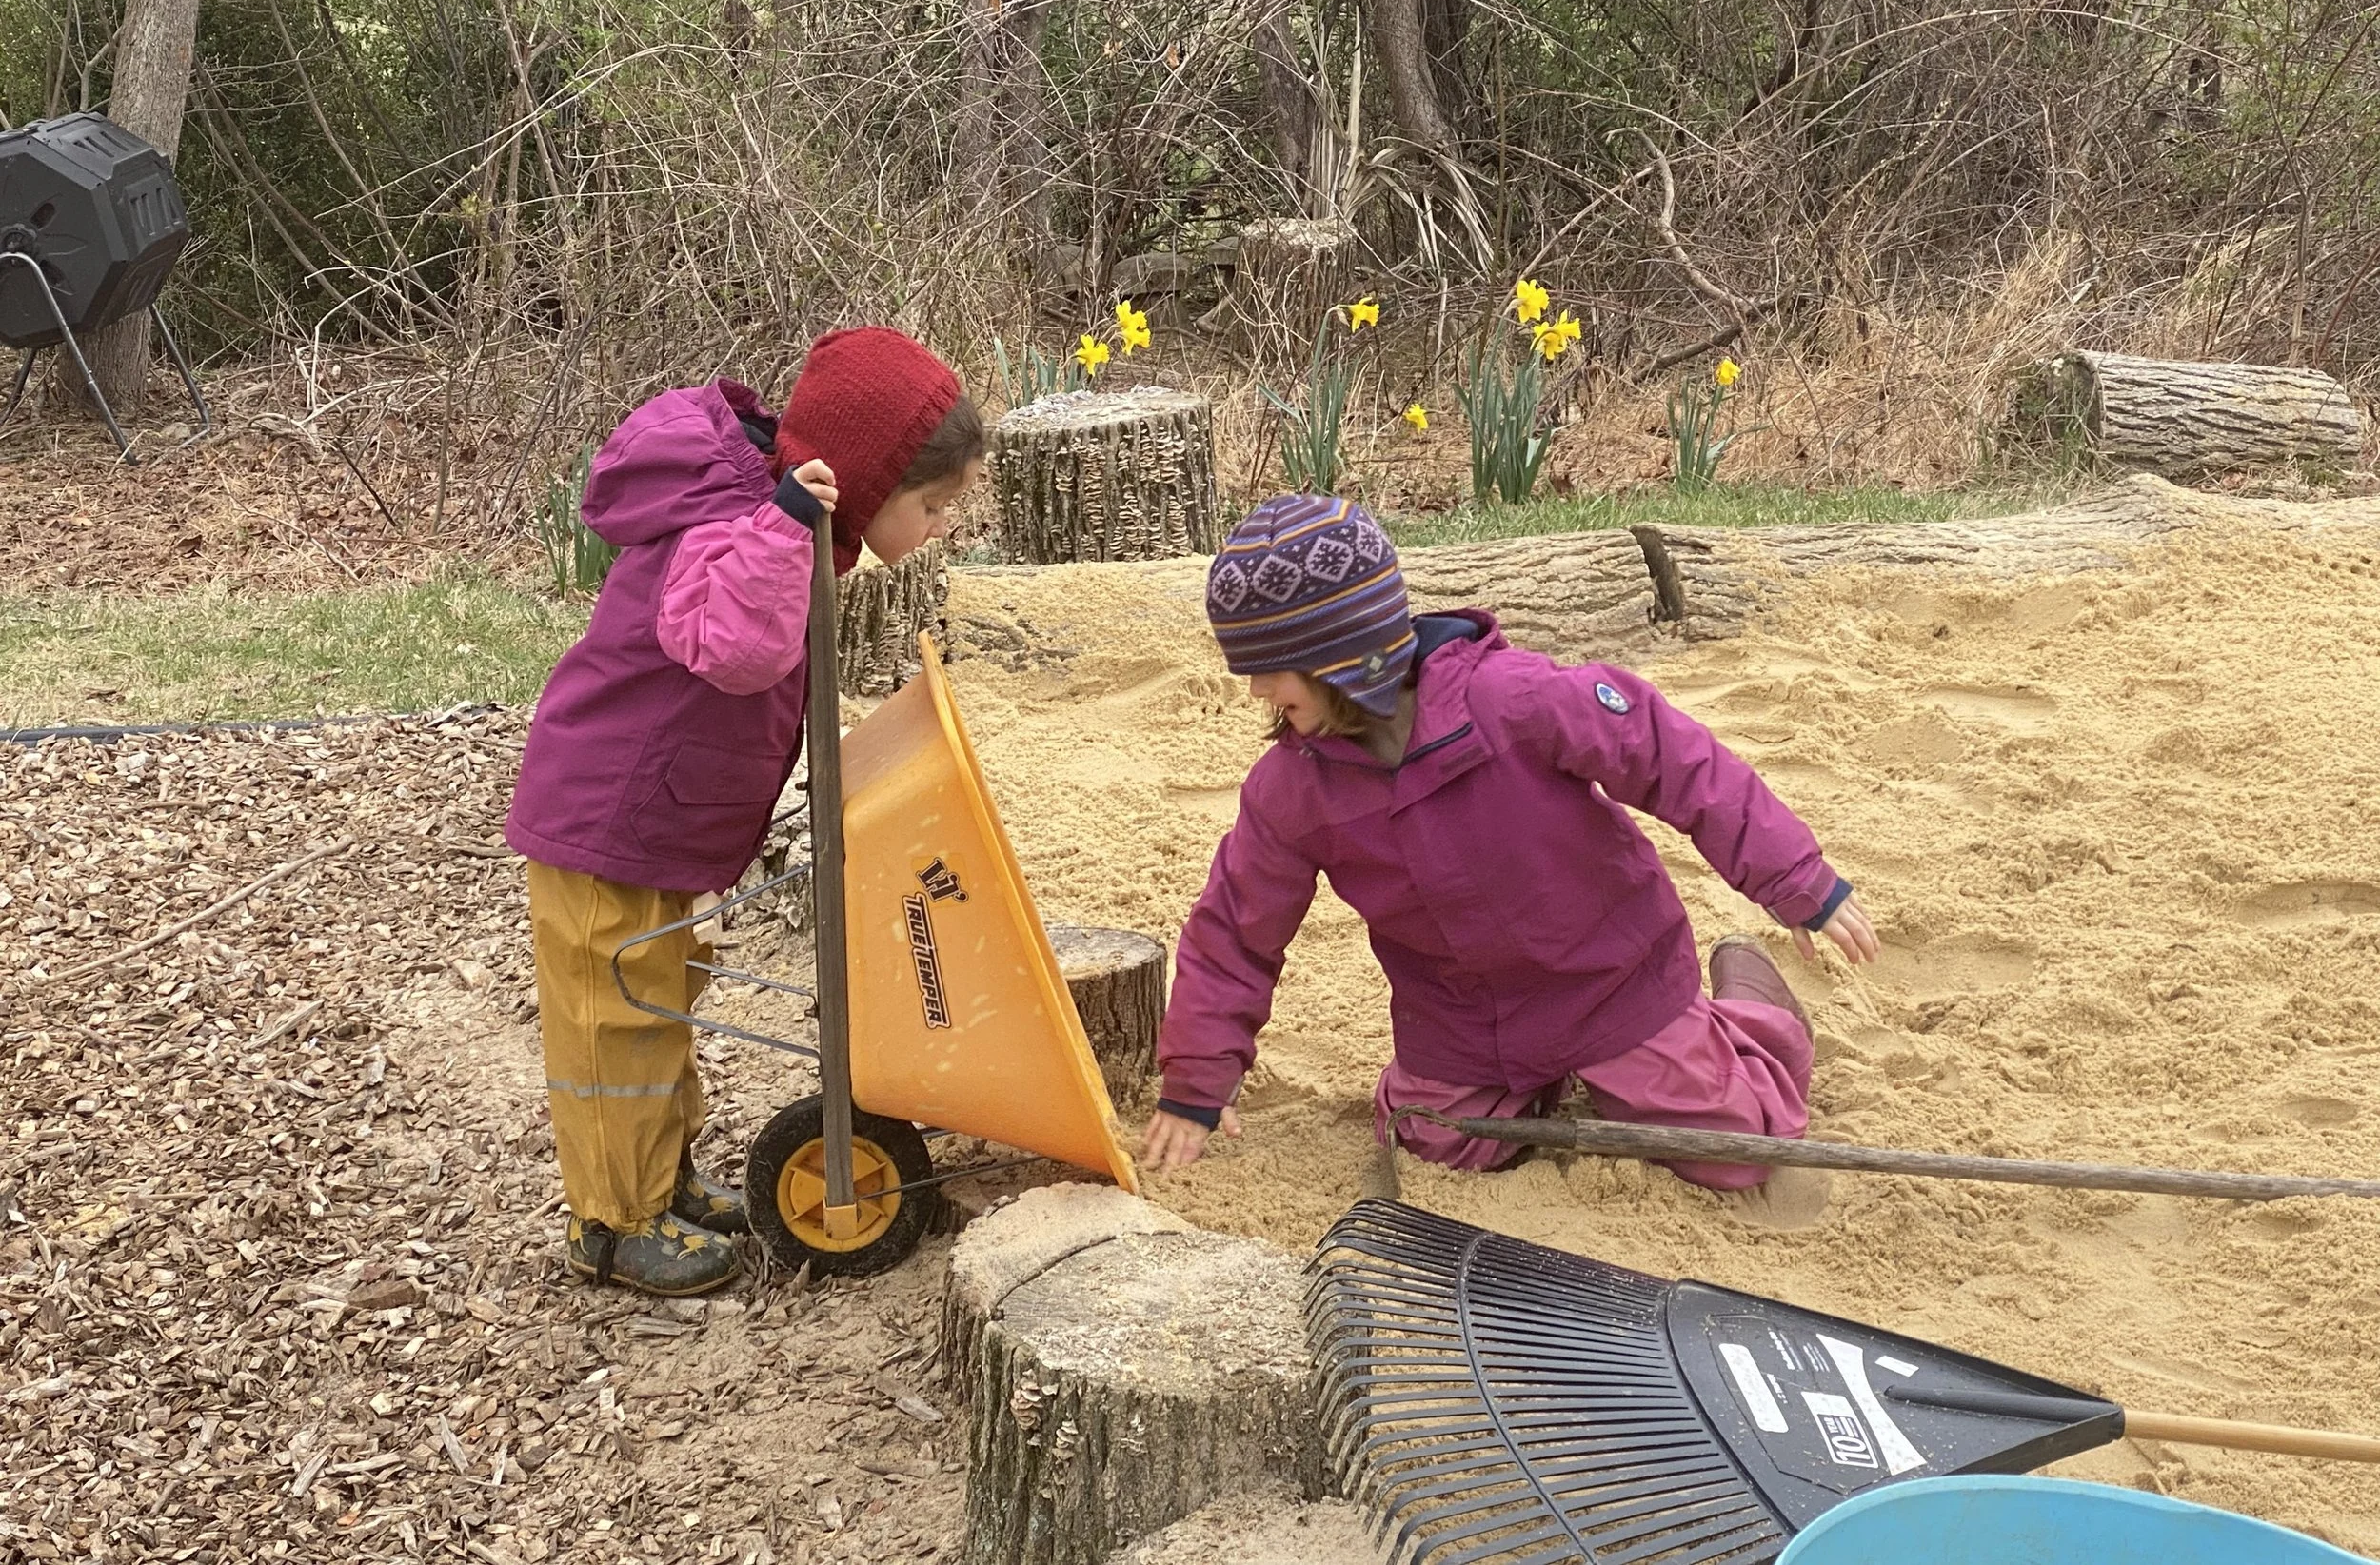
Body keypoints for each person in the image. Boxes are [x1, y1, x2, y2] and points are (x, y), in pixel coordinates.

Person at [1141, 494, 1879, 1221]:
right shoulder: (1292, 787)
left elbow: (1672, 757)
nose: (1256, 686)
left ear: (1349, 653)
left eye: (1274, 666)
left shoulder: (1515, 699)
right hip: (1462, 1023)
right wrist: (1199, 1081)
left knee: (1736, 1149)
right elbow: (1237, 928)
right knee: (1431, 1142)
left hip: (1610, 985)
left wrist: (1794, 877)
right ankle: (1532, 1081)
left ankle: (1754, 1008)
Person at [506, 328, 984, 1295]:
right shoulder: (740, 525)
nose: (940, 528)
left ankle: (663, 1181)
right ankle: (614, 1221)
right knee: (617, 1023)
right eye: (931, 505)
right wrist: (782, 529)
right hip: (611, 820)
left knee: (660, 1000)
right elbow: (732, 647)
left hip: (656, 823)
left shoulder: (764, 515)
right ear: (862, 478)